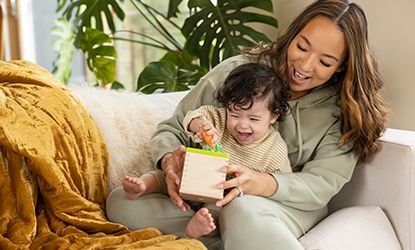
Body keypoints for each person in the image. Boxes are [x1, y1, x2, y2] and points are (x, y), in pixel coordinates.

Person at [106, 0, 389, 249]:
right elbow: (175, 127)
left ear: (341, 66)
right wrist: (169, 162)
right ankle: (235, 238)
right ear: (292, 36)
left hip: (284, 207)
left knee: (242, 210)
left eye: (325, 62)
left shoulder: (343, 111)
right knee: (121, 202)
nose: (304, 65)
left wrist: (260, 184)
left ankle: (234, 233)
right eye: (302, 47)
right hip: (208, 202)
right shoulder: (237, 72)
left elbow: (321, 184)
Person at [122, 62, 292, 238]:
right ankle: (143, 186)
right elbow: (190, 118)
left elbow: (281, 184)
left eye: (253, 119)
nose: (242, 125)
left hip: (222, 197)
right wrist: (201, 126)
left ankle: (200, 228)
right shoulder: (217, 119)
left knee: (220, 212)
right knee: (167, 175)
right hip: (193, 178)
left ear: (274, 115)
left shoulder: (275, 148)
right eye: (234, 115)